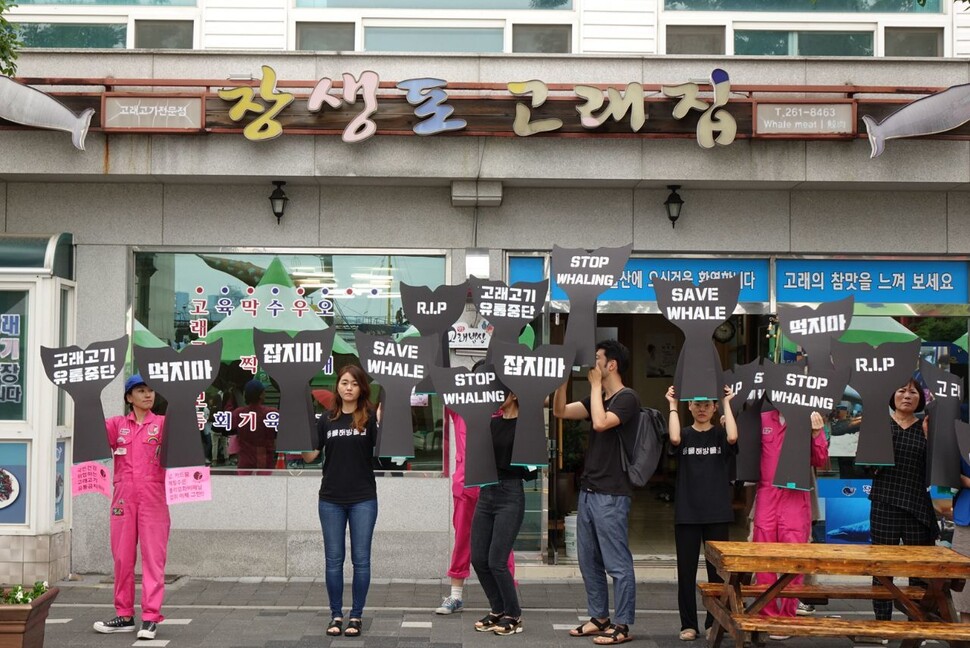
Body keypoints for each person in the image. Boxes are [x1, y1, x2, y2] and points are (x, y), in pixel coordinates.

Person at [554, 339, 640, 645]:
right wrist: (563, 378)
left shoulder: (627, 399)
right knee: (588, 560)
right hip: (589, 490)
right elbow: (561, 411)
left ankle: (623, 624)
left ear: (611, 365)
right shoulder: (598, 397)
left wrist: (593, 387)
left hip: (613, 493)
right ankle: (599, 617)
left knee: (617, 562)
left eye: (598, 359)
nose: (594, 365)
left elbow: (602, 422)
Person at [302, 365, 379, 638]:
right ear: (338, 386)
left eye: (354, 384)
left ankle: (356, 616)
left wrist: (387, 419)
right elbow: (310, 456)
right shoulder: (326, 419)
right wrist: (297, 433)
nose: (348, 387)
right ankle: (336, 615)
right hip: (331, 500)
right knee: (333, 560)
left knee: (361, 560)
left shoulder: (370, 417)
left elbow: (385, 452)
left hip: (363, 499)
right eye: (344, 382)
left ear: (361, 388)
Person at [93, 374, 170, 641]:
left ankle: (150, 618)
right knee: (122, 558)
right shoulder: (116, 425)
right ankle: (124, 615)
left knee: (153, 559)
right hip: (123, 498)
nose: (148, 395)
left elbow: (185, 442)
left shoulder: (163, 424)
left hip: (154, 498)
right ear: (129, 397)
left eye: (151, 391)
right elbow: (92, 436)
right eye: (141, 391)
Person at [665, 385, 738, 642]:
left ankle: (714, 622)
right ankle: (688, 624)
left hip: (717, 513)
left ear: (714, 407)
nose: (703, 409)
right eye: (697, 404)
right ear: (689, 407)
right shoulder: (684, 435)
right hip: (687, 513)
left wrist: (727, 401)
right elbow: (673, 439)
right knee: (686, 572)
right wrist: (672, 405)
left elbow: (732, 437)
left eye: (708, 404)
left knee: (717, 573)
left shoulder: (720, 435)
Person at [868, 379, 938, 623]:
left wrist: (931, 440)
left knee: (918, 567)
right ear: (892, 396)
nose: (907, 396)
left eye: (913, 392)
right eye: (901, 390)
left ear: (920, 398)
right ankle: (882, 624)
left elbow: (937, 469)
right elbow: (865, 464)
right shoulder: (879, 425)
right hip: (884, 501)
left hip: (917, 503)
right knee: (882, 567)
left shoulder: (927, 427)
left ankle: (917, 621)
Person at [752, 406, 827, 630]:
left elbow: (821, 460)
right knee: (763, 557)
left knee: (794, 558)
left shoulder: (809, 418)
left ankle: (786, 617)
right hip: (767, 494)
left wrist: (816, 434)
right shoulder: (761, 419)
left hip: (795, 495)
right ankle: (765, 615)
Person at [436, 410, 516, 617]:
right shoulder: (461, 402)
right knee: (463, 539)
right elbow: (442, 383)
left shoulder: (502, 406)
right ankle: (455, 594)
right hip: (466, 483)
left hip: (495, 483)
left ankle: (507, 599)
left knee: (501, 542)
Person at [470, 389, 535, 636]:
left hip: (510, 493)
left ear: (516, 394)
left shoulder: (526, 424)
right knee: (478, 558)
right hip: (486, 492)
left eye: (503, 392)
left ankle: (513, 614)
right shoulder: (490, 421)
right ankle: (497, 609)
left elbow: (530, 471)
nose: (497, 396)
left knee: (497, 561)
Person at [230, 379, 279, 474]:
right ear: (261, 395)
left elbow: (230, 431)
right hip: (264, 460)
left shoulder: (238, 413)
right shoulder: (271, 413)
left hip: (244, 460)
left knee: (244, 486)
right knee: (264, 486)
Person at [951, 458, 970, 623]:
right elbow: (949, 473)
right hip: (966, 515)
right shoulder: (962, 435)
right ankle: (965, 633)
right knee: (963, 578)